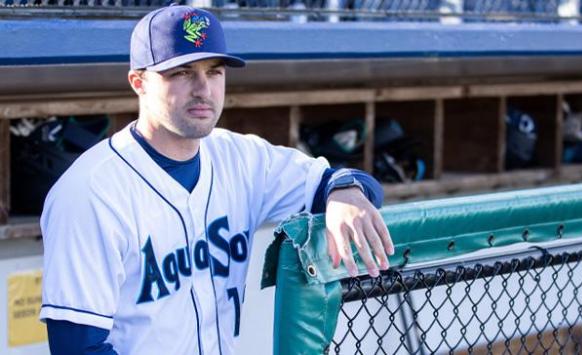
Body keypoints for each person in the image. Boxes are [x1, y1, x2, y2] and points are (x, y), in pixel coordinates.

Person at [39, 4, 393, 355]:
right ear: (138, 82)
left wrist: (346, 193)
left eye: (215, 71)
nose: (203, 88)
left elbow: (338, 182)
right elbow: (78, 349)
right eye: (182, 72)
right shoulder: (89, 193)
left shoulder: (240, 157)